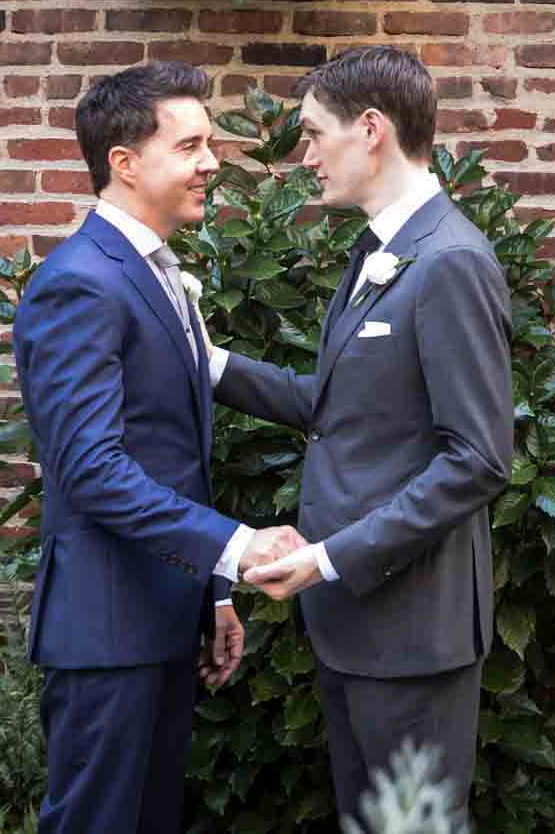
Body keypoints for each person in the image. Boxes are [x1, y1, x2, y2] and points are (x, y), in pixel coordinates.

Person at [211, 45, 515, 826]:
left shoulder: (450, 261)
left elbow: (479, 458)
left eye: (314, 133)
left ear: (371, 128)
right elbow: (346, 407)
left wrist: (329, 557)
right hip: (355, 628)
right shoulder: (377, 249)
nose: (305, 155)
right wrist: (210, 364)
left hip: (413, 634)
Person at [13, 59, 304, 834]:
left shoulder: (151, 273)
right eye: (191, 145)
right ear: (125, 162)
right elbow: (93, 470)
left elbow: (165, 453)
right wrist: (237, 547)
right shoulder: (82, 282)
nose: (212, 161)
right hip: (107, 631)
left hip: (160, 615)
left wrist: (210, 588)